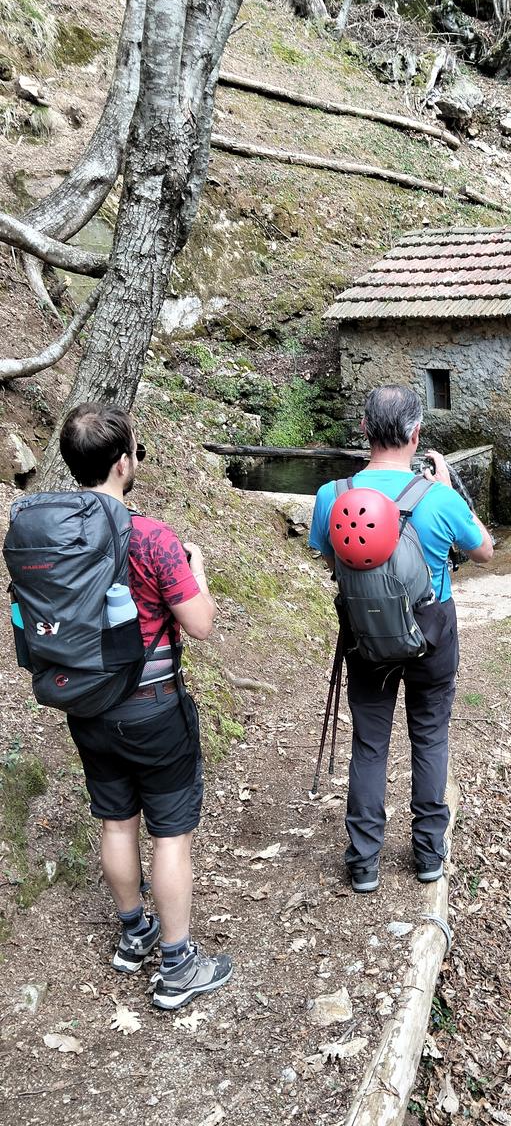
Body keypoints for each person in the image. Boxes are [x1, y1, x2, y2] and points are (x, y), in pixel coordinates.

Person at [58, 403, 231, 1010]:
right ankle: (179, 965)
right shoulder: (152, 537)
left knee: (115, 822)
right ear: (123, 462)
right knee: (171, 836)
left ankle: (135, 935)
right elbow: (202, 625)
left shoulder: (54, 539)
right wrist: (197, 572)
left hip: (87, 709)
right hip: (154, 711)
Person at [308, 385, 494, 893]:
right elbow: (485, 553)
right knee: (430, 736)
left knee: (370, 744)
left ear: (365, 430)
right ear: (415, 434)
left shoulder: (333, 495)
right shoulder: (438, 498)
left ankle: (364, 861)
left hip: (365, 635)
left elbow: (333, 561)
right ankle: (429, 855)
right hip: (432, 631)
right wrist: (451, 488)